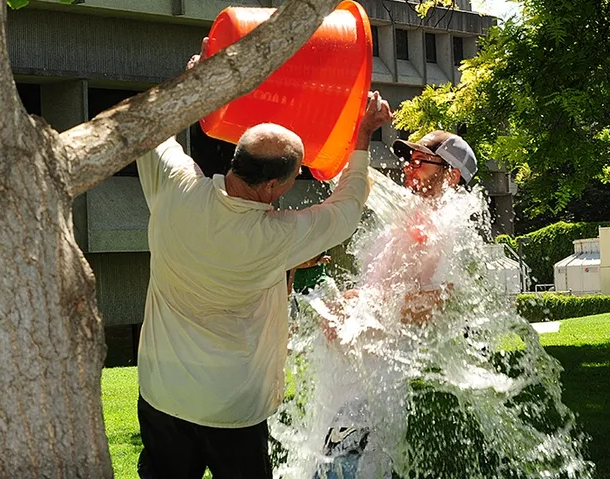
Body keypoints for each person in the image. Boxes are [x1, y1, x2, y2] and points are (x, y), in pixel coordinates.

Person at [135, 45, 392, 479]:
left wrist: (194, 82)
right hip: (233, 407)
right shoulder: (277, 238)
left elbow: (151, 123)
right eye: (295, 178)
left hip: (162, 393)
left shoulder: (175, 189)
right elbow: (347, 209)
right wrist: (363, 134)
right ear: (274, 184)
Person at [313, 130, 478, 479]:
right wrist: (347, 306)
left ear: (451, 175)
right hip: (353, 372)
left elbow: (442, 302)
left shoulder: (452, 227)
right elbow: (380, 291)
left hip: (379, 379)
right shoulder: (402, 225)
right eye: (409, 160)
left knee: (342, 469)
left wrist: (365, 306)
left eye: (421, 161)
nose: (408, 168)